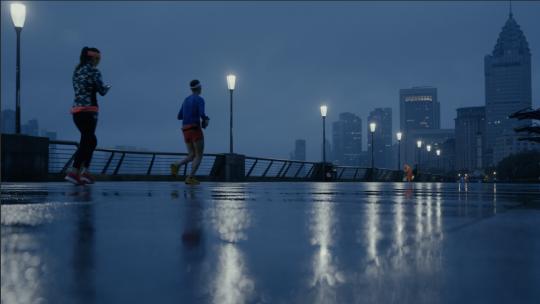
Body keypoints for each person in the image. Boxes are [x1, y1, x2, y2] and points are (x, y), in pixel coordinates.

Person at [65, 47, 111, 185]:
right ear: (93, 58)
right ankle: (74, 172)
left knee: (90, 140)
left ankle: (84, 172)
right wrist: (108, 86)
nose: (98, 62)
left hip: (77, 112)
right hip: (89, 111)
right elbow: (102, 91)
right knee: (87, 141)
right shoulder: (94, 71)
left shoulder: (76, 71)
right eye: (98, 59)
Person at [170, 79, 210, 185]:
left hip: (185, 129)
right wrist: (206, 119)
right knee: (199, 155)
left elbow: (179, 116)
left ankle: (176, 165)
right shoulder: (200, 99)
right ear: (199, 88)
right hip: (194, 128)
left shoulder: (186, 100)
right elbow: (202, 113)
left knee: (191, 155)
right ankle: (190, 177)